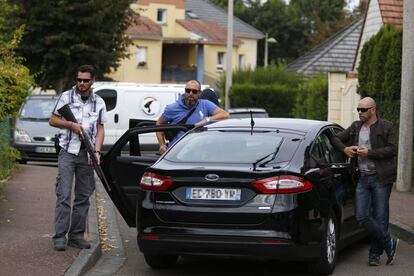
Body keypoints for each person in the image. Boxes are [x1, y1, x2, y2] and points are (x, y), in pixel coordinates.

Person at [331, 97, 398, 266]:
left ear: (373, 110)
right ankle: (388, 241)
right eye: (358, 109)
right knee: (361, 216)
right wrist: (345, 149)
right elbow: (335, 138)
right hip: (363, 177)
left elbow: (392, 149)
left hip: (381, 178)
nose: (359, 112)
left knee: (380, 217)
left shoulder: (387, 126)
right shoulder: (355, 126)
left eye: (363, 109)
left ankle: (374, 255)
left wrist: (370, 153)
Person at [49, 65, 107, 251]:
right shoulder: (66, 97)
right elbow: (52, 120)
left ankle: (76, 236)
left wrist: (97, 152)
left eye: (85, 80)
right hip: (67, 151)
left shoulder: (99, 102)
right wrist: (70, 125)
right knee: (64, 194)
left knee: (83, 197)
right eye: (79, 80)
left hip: (87, 155)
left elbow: (100, 128)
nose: (81, 83)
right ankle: (59, 236)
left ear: (93, 81)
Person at [156, 80, 229, 154]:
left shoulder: (205, 105)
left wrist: (206, 120)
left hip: (200, 153)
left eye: (194, 91)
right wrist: (162, 145)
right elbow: (159, 124)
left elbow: (225, 115)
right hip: (177, 154)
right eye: (188, 90)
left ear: (199, 93)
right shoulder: (172, 108)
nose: (190, 93)